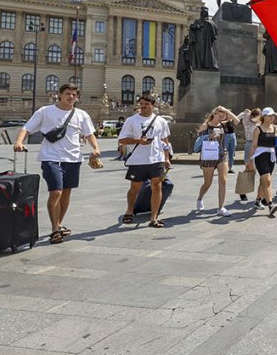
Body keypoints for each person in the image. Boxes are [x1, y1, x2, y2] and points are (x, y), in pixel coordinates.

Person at [14, 83, 100, 244]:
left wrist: (95, 148)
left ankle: (59, 224)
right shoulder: (45, 111)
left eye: (74, 95)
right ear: (59, 95)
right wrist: (19, 142)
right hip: (50, 157)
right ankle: (54, 229)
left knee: (66, 192)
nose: (71, 97)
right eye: (68, 93)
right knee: (56, 192)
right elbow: (27, 128)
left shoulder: (81, 115)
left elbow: (89, 134)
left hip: (73, 158)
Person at [118, 95, 172, 228]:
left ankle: (154, 218)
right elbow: (122, 140)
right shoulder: (131, 120)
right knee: (134, 188)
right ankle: (129, 210)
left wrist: (166, 158)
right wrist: (138, 141)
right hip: (137, 160)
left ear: (153, 106)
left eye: (146, 104)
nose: (143, 106)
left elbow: (165, 141)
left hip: (156, 159)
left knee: (157, 186)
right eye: (141, 103)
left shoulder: (161, 121)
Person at [195, 106, 239, 216]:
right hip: (208, 155)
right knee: (207, 183)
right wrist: (209, 136)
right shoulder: (206, 125)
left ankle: (221, 208)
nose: (222, 118)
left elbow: (237, 121)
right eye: (220, 116)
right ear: (214, 114)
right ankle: (200, 198)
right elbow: (198, 139)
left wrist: (227, 110)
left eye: (223, 116)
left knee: (223, 181)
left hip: (222, 154)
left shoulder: (224, 125)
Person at [250, 107, 277, 217]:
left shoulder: (275, 128)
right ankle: (271, 204)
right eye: (270, 115)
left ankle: (258, 200)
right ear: (264, 116)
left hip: (271, 156)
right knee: (267, 181)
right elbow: (254, 145)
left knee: (264, 181)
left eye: (273, 115)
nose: (273, 117)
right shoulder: (258, 129)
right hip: (260, 155)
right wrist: (249, 160)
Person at [235, 107, 262, 201]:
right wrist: (244, 112)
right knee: (249, 168)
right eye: (255, 115)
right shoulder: (247, 120)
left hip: (260, 146)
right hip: (250, 144)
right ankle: (242, 190)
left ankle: (262, 195)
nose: (257, 118)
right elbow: (236, 118)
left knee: (261, 170)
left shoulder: (261, 122)